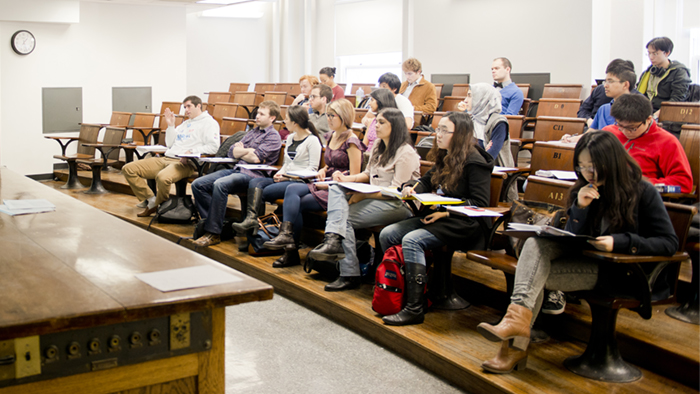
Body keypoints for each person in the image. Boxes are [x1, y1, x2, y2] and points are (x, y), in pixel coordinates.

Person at [476, 130, 678, 374]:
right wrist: (580, 208)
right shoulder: (583, 190)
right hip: (587, 263)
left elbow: (668, 242)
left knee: (531, 275)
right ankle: (514, 329)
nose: (587, 173)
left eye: (593, 166)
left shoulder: (642, 191)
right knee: (534, 248)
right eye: (581, 166)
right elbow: (572, 236)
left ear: (612, 161)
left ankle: (513, 348)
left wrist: (621, 242)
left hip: (621, 271)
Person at [378, 112, 493, 326]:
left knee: (412, 240)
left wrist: (447, 211)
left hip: (464, 223)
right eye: (437, 129)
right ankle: (396, 291)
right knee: (388, 234)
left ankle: (415, 307)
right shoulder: (446, 155)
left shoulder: (475, 162)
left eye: (443, 130)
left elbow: (479, 203)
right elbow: (427, 179)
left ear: (459, 135)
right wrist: (413, 188)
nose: (436, 134)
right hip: (440, 217)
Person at [307, 108, 421, 291]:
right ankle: (332, 241)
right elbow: (368, 174)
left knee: (344, 220)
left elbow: (398, 191)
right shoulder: (377, 145)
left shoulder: (406, 153)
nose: (376, 125)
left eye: (382, 122)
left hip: (398, 204)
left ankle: (348, 272)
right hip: (377, 197)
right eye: (376, 121)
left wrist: (362, 195)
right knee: (336, 187)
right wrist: (347, 179)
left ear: (396, 126)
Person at [263, 99, 365, 268]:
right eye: (329, 115)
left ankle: (290, 248)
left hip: (339, 188)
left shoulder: (351, 141)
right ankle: (289, 243)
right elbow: (332, 163)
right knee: (292, 191)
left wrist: (330, 182)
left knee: (296, 201)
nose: (329, 119)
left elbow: (354, 174)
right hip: (326, 181)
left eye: (333, 115)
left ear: (344, 117)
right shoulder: (333, 135)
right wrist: (324, 169)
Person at [191, 101, 283, 247]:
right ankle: (217, 224)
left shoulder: (273, 136)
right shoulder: (253, 132)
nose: (257, 116)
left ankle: (214, 233)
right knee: (198, 184)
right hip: (237, 169)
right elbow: (231, 150)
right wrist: (246, 151)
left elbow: (256, 158)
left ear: (272, 118)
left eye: (261, 114)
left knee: (220, 184)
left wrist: (242, 152)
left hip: (254, 176)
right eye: (257, 113)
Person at [231, 106, 323, 236]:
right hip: (285, 177)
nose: (284, 121)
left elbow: (312, 169)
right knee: (256, 182)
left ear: (295, 123)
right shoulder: (291, 138)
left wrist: (288, 176)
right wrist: (281, 172)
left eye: (287, 119)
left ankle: (257, 229)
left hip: (300, 182)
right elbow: (287, 163)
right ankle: (251, 221)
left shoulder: (312, 141)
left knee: (264, 192)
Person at [123, 95, 219, 217]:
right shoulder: (186, 123)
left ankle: (163, 208)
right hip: (167, 157)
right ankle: (153, 201)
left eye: (189, 106)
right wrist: (171, 126)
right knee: (128, 169)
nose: (186, 110)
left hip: (184, 163)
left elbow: (214, 146)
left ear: (198, 105)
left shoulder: (210, 123)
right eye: (185, 107)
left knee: (162, 178)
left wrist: (192, 151)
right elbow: (170, 143)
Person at [603, 93, 693, 193]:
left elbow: (683, 183)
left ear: (648, 119)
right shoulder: (609, 133)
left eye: (632, 128)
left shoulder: (667, 142)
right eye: (620, 125)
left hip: (638, 196)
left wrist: (642, 184)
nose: (624, 131)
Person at [458, 83, 517, 200]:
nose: (465, 100)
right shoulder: (470, 119)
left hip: (495, 175)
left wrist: (477, 149)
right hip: (470, 169)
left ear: (482, 98)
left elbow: (489, 157)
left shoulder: (499, 122)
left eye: (470, 96)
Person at [637, 37, 692, 117]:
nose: (651, 57)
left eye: (655, 53)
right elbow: (639, 95)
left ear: (667, 53)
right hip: (646, 113)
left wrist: (655, 116)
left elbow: (677, 100)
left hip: (667, 116)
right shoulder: (648, 72)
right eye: (649, 53)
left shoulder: (679, 72)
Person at [577, 59, 635, 126]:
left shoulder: (638, 106)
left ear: (625, 84)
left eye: (610, 81)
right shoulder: (603, 109)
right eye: (605, 81)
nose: (605, 85)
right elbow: (592, 130)